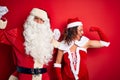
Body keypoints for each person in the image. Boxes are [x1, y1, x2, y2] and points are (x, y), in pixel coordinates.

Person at [0, 8, 60, 80]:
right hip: (24, 76)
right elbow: (1, 37)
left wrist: (56, 41)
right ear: (30, 20)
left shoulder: (47, 37)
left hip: (43, 77)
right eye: (36, 18)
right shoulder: (17, 34)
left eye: (42, 20)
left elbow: (57, 52)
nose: (38, 22)